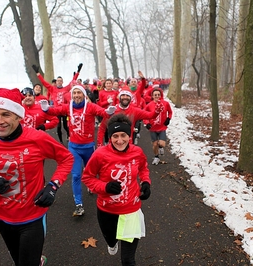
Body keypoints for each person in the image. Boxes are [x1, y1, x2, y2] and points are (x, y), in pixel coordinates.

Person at [0, 88, 74, 266]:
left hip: (32, 216)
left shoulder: (37, 139)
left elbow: (66, 158)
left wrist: (53, 186)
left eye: (6, 115)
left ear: (18, 116)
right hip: (1, 216)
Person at [82, 113, 151, 266]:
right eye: (115, 136)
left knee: (128, 260)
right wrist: (104, 187)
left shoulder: (137, 152)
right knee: (111, 240)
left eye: (123, 135)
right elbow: (87, 177)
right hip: (107, 210)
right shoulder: (100, 154)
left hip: (131, 209)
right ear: (110, 137)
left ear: (130, 135)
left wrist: (146, 182)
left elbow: (143, 168)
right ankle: (112, 243)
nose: (120, 140)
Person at [41, 85, 116, 216]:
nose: (76, 95)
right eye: (74, 93)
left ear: (84, 95)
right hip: (74, 147)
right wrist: (47, 109)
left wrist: (109, 111)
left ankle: (91, 186)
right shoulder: (68, 106)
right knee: (76, 175)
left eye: (79, 93)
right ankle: (79, 204)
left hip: (89, 147)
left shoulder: (90, 106)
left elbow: (102, 113)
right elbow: (56, 111)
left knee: (91, 173)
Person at [32, 64, 83, 144]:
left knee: (66, 126)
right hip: (57, 110)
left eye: (60, 81)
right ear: (56, 82)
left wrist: (78, 72)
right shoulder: (52, 89)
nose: (59, 82)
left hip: (65, 110)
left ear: (62, 82)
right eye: (58, 81)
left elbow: (73, 81)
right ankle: (61, 142)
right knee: (58, 126)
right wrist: (38, 73)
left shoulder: (66, 88)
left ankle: (70, 138)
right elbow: (44, 83)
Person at [96, 87, 163, 147]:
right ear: (119, 97)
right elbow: (102, 128)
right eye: (123, 95)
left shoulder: (135, 110)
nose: (125, 97)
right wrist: (100, 144)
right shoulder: (112, 110)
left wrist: (156, 112)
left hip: (128, 144)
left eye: (127, 95)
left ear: (131, 98)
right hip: (113, 145)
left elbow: (150, 115)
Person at [143, 87, 173, 165]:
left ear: (160, 95)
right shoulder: (149, 105)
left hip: (162, 127)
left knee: (162, 144)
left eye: (158, 95)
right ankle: (156, 157)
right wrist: (147, 123)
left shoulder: (165, 103)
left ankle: (160, 147)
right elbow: (144, 115)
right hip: (153, 128)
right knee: (155, 144)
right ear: (152, 96)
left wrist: (168, 119)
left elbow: (170, 112)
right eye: (155, 95)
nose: (157, 96)